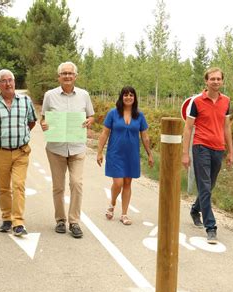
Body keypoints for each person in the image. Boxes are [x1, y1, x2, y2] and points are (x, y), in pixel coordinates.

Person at [0, 69, 37, 237]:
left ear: (14, 82)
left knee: (18, 185)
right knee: (4, 188)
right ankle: (6, 218)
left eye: (10, 80)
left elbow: (32, 122)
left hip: (20, 152)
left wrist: (20, 136)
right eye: (3, 81)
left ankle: (18, 222)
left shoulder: (25, 100)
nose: (8, 83)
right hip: (0, 152)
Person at [40, 61, 95, 239]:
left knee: (76, 183)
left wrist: (89, 121)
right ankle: (60, 220)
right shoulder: (50, 95)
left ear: (75, 76)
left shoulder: (84, 95)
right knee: (58, 186)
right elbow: (43, 119)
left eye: (70, 73)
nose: (67, 76)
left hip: (77, 147)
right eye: (64, 73)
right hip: (56, 148)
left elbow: (91, 115)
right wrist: (44, 124)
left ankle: (74, 221)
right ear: (59, 77)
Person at [182, 67, 233, 244]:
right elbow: (188, 128)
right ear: (206, 81)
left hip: (218, 147)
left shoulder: (226, 101)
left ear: (222, 81)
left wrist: (231, 151)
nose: (216, 82)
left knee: (210, 185)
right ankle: (211, 227)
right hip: (200, 147)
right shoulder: (196, 101)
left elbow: (227, 127)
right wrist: (185, 154)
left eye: (219, 79)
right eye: (212, 79)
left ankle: (195, 209)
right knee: (204, 186)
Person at [97, 86, 154, 225]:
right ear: (121, 97)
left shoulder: (139, 116)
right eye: (125, 95)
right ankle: (112, 203)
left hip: (132, 154)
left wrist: (149, 154)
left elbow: (145, 137)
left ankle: (124, 214)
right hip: (115, 153)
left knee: (128, 183)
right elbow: (104, 133)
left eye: (131, 95)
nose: (128, 97)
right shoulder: (113, 113)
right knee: (118, 182)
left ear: (135, 98)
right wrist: (99, 151)